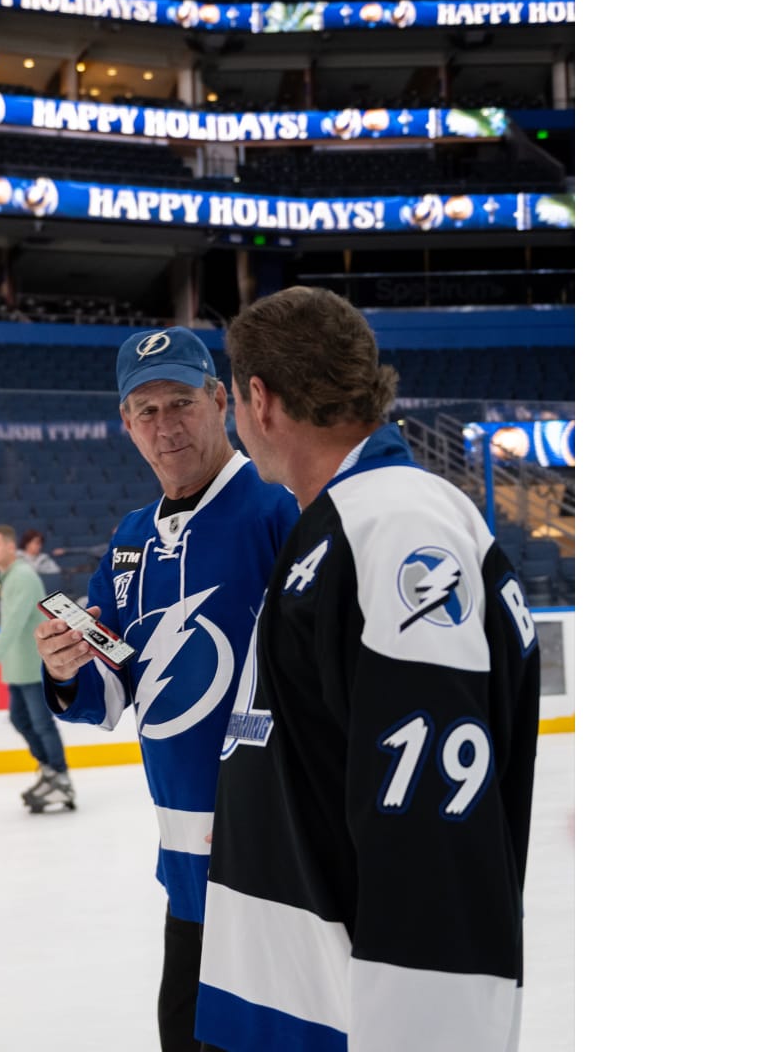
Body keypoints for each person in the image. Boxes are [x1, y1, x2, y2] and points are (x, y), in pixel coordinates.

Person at [196, 287, 543, 1052]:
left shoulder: (392, 525)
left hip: (352, 1013)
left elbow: (434, 823)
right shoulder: (340, 524)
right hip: (293, 998)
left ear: (260, 400)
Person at [33, 326, 299, 1052]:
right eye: (145, 411)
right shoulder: (129, 539)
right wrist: (65, 668)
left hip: (281, 867)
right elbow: (115, 687)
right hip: (185, 869)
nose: (165, 425)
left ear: (220, 401)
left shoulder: (279, 508)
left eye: (180, 402)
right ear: (126, 424)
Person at [0, 524, 72, 812]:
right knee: (20, 720)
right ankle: (49, 771)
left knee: (41, 723)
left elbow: (15, 623)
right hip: (18, 667)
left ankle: (62, 780)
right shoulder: (9, 577)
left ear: (9, 546)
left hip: (33, 666)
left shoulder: (24, 577)